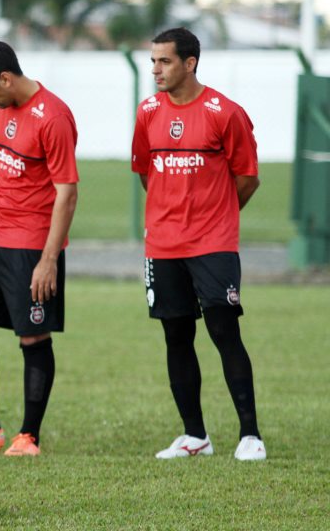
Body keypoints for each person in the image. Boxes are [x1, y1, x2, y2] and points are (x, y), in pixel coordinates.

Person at [131, 27, 265, 461]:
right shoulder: (148, 111)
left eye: (164, 61)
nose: (155, 70)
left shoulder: (225, 112)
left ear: (190, 63)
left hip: (213, 243)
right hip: (163, 245)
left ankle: (250, 436)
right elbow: (145, 172)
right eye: (153, 61)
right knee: (176, 335)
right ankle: (195, 436)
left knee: (225, 331)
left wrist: (218, 214)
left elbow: (247, 178)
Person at [0, 39, 78, 457]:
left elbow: (67, 193)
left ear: (5, 78)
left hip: (31, 247)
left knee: (32, 339)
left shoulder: (54, 117)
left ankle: (29, 436)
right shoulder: (0, 107)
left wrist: (49, 260)